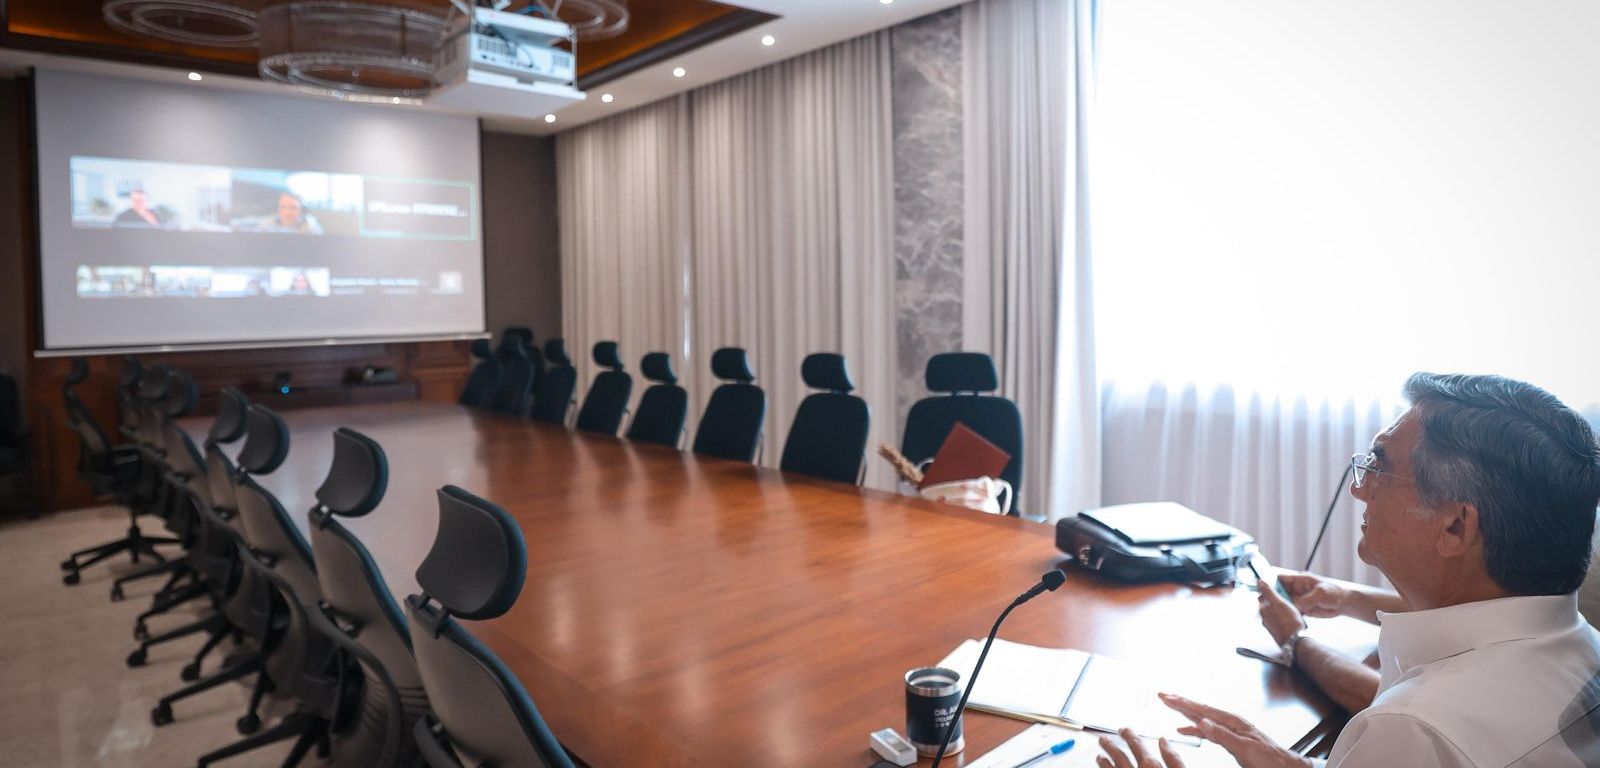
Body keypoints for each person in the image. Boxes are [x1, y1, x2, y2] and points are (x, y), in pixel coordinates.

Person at [1098, 373, 1600, 768]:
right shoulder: (1585, 648)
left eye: (1379, 465)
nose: (1359, 488)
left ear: (1454, 527)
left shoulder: (1414, 728)